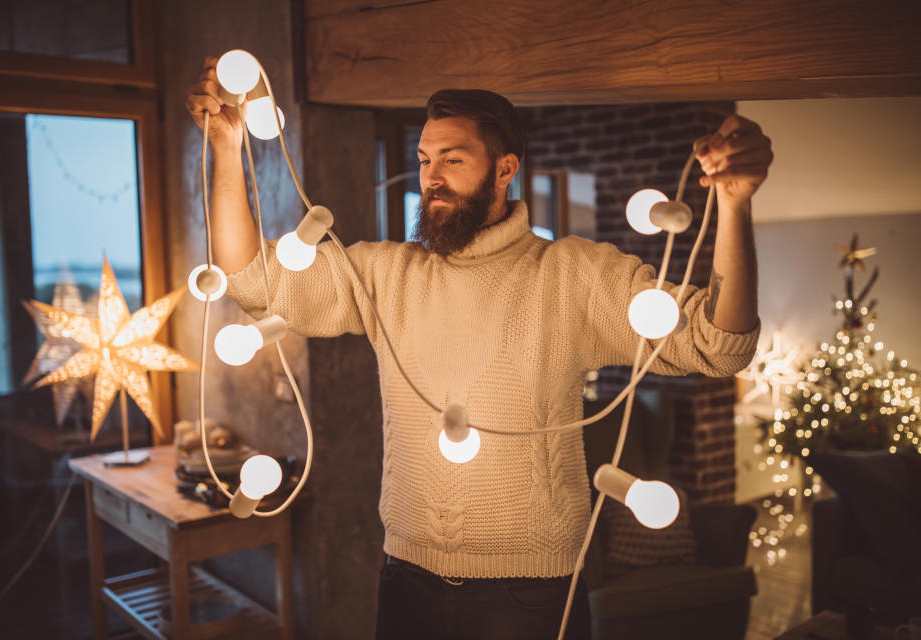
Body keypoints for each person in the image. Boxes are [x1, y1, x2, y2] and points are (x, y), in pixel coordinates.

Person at [186, 56, 770, 639]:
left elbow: (720, 344)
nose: (431, 177)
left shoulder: (570, 276)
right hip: (406, 579)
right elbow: (253, 280)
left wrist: (736, 202)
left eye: (452, 159)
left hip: (530, 594)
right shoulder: (389, 275)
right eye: (423, 160)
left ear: (504, 168)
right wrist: (226, 147)